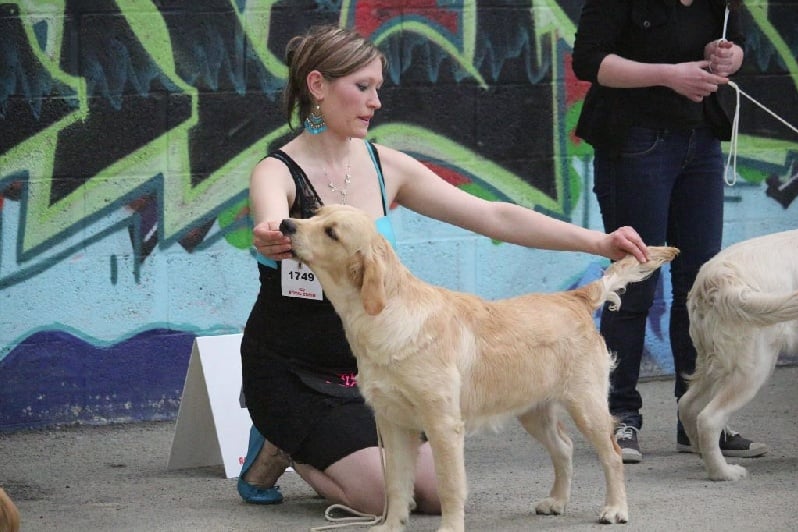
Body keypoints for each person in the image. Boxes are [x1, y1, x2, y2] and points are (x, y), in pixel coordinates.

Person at [238, 24, 649, 516]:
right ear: (318, 86)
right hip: (296, 371)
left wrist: (598, 242)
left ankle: (328, 448)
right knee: (376, 496)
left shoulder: (386, 166)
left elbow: (493, 216)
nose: (375, 102)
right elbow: (270, 220)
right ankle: (282, 445)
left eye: (378, 88)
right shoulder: (276, 170)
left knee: (430, 496)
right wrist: (270, 233)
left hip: (382, 367)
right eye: (362, 87)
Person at [572, 0, 767, 464]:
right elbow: (589, 62)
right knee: (634, 281)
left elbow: (739, 45)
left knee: (701, 285)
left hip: (702, 141)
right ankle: (619, 417)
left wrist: (730, 58)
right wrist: (669, 75)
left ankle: (698, 420)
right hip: (636, 141)